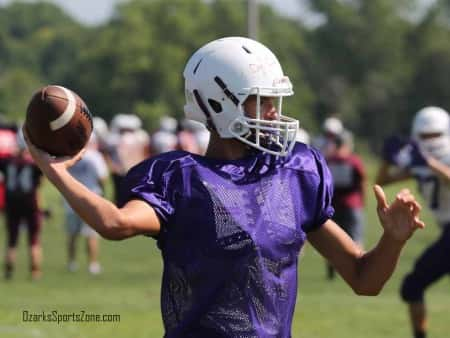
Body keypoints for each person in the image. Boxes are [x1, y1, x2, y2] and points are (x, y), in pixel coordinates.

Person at [24, 37, 425, 338]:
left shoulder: (295, 171)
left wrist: (392, 241)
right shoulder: (179, 176)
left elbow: (364, 279)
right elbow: (115, 223)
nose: (274, 112)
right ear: (222, 103)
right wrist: (54, 170)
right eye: (262, 100)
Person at [376, 106, 450, 338]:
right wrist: (387, 160)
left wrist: (428, 162)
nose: (430, 141)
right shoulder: (420, 159)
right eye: (425, 136)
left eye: (434, 135)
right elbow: (383, 180)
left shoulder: (442, 156)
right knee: (412, 287)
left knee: (413, 285)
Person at [0, 129, 43, 280]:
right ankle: (35, 272)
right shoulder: (34, 163)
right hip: (30, 202)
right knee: (34, 239)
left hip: (11, 202)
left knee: (12, 240)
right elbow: (39, 184)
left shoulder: (6, 161)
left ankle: (9, 271)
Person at [325, 129, 367, 279]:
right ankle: (360, 270)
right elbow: (362, 181)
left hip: (333, 205)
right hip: (352, 204)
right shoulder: (354, 160)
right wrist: (363, 201)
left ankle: (331, 271)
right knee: (356, 238)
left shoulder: (329, 160)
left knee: (332, 241)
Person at [64, 134, 108, 274]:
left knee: (72, 234)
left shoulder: (69, 155)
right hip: (91, 199)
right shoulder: (95, 156)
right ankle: (93, 265)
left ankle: (71, 263)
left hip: (71, 199)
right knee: (91, 234)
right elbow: (102, 177)